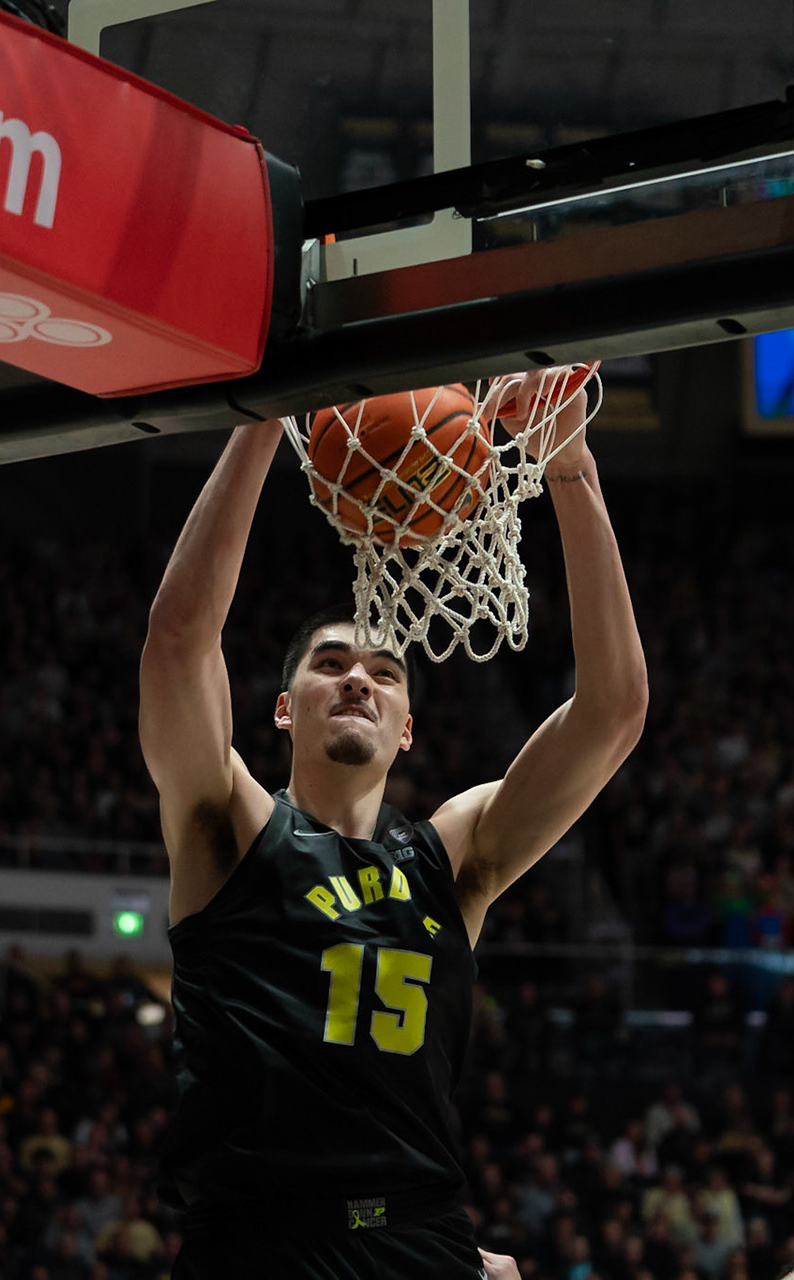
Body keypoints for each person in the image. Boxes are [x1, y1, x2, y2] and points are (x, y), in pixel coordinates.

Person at [140, 367, 648, 1280]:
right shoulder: (227, 824)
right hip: (263, 1244)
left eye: (383, 670)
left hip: (419, 1238)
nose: (358, 677)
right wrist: (263, 417)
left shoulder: (452, 855)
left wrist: (571, 466)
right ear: (285, 710)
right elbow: (180, 637)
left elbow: (613, 711)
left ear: (406, 727)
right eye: (330, 663)